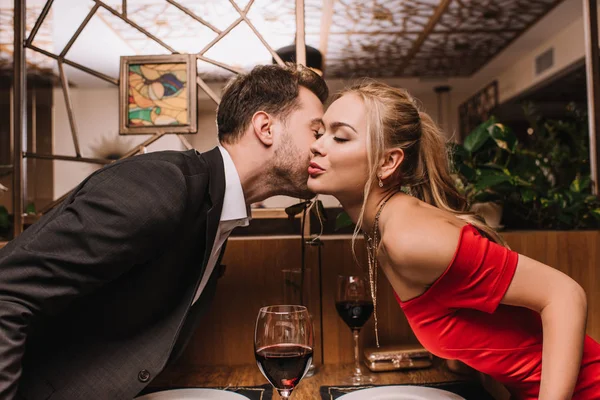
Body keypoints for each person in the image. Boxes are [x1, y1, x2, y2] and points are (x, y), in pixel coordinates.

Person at [0, 63, 328, 400]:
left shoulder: (218, 206)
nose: (323, 147)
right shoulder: (164, 186)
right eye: (316, 131)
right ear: (265, 127)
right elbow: (7, 292)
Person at [307, 80, 600, 399]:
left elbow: (564, 294)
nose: (318, 145)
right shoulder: (388, 226)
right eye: (320, 133)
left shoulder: (408, 238)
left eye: (340, 136)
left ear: (388, 163)